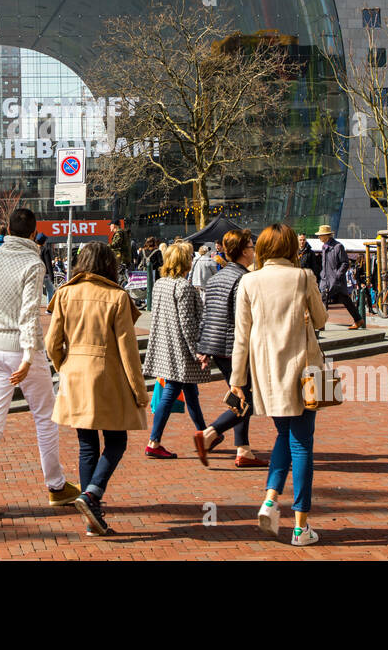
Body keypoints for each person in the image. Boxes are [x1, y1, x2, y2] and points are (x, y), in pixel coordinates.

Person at [0, 207, 80, 518]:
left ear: (7, 231)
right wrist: (29, 354)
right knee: (44, 416)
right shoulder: (32, 263)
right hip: (25, 351)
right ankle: (56, 485)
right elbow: (30, 312)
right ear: (33, 233)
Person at [231, 223, 328, 546]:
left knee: (283, 434)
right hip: (302, 371)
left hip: (266, 372)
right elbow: (322, 318)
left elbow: (241, 337)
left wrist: (236, 380)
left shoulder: (249, 281)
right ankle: (300, 526)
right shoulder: (303, 277)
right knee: (302, 443)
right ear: (291, 248)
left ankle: (271, 499)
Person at [47, 240, 146, 537]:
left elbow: (52, 343)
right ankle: (92, 496)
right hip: (108, 376)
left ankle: (93, 513)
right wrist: (140, 391)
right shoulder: (117, 297)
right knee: (117, 441)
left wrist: (63, 364)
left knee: (86, 444)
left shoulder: (64, 293)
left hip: (74, 374)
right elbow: (128, 350)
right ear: (108, 265)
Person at [194, 229, 264, 468]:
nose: (254, 251)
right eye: (252, 247)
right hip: (235, 347)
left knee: (241, 396)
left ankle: (243, 449)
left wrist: (203, 348)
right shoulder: (244, 279)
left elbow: (208, 316)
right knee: (247, 401)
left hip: (218, 347)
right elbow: (241, 319)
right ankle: (209, 434)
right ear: (244, 251)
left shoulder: (216, 278)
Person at [143, 241, 210, 459]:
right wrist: (198, 351)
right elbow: (188, 323)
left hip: (166, 347)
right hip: (181, 350)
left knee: (190, 391)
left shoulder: (161, 284)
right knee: (172, 391)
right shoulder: (183, 287)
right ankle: (154, 441)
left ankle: (205, 433)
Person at [315, 224, 364, 330]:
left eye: (321, 235)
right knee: (325, 298)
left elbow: (345, 263)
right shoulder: (324, 247)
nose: (319, 237)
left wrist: (337, 275)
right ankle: (358, 319)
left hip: (336, 281)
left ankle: (321, 323)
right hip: (326, 279)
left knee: (342, 299)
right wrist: (323, 275)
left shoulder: (338, 246)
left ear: (327, 236)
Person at [140, 236, 162, 305]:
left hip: (144, 271)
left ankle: (146, 301)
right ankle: (153, 302)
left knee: (145, 287)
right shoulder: (157, 251)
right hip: (154, 273)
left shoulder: (142, 251)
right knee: (154, 287)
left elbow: (138, 261)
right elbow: (161, 263)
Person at [35, 232, 56, 303]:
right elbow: (48, 264)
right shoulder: (45, 250)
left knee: (36, 291)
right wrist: (52, 276)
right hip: (45, 274)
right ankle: (49, 308)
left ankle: (35, 307)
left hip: (36, 273)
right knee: (50, 289)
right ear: (44, 241)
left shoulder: (33, 250)